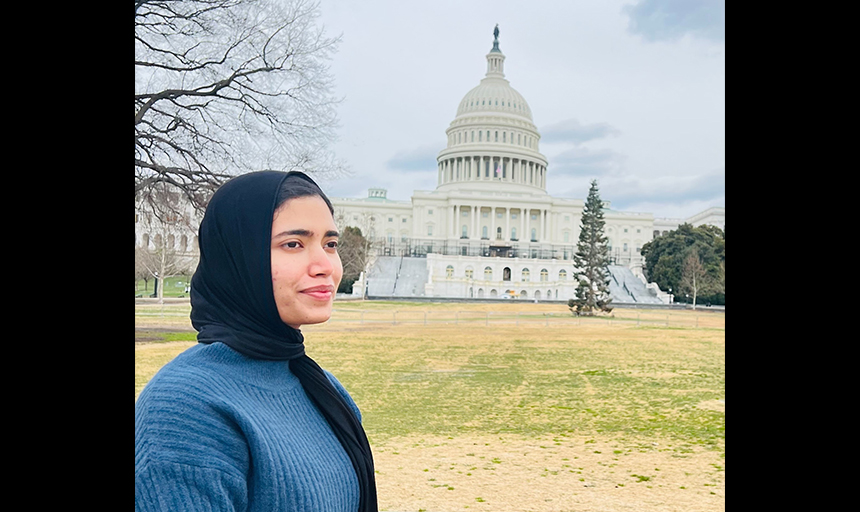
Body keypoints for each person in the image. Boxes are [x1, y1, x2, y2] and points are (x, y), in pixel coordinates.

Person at [135, 171, 377, 512]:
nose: (325, 265)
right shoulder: (184, 408)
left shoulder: (323, 390)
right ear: (237, 257)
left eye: (330, 244)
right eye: (293, 244)